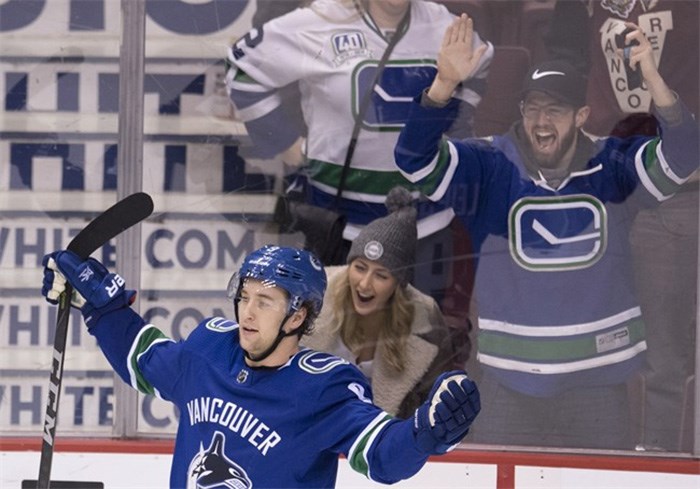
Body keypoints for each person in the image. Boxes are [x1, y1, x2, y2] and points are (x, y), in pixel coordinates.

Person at [394, 14, 698, 450]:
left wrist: (653, 80)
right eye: (532, 107)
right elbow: (413, 159)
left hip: (599, 389)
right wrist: (443, 85)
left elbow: (685, 153)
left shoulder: (613, 169)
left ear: (582, 115)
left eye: (554, 109)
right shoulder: (491, 169)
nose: (541, 121)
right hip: (507, 387)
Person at [40, 244, 480, 488]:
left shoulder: (324, 388)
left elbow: (383, 456)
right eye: (245, 296)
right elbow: (146, 360)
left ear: (298, 316)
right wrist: (100, 308)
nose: (247, 313)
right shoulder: (210, 348)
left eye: (264, 302)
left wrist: (425, 434)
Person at [225, 0, 493, 354]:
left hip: (423, 228)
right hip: (340, 226)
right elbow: (243, 69)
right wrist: (288, 144)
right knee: (321, 354)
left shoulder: (444, 25)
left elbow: (479, 62)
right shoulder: (319, 21)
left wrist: (455, 129)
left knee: (422, 360)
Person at [543, 0, 699, 452]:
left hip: (679, 191)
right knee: (584, 337)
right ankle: (578, 460)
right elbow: (564, 58)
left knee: (664, 357)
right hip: (598, 187)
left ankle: (658, 466)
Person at [303, 186, 461, 418]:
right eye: (359, 268)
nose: (365, 284)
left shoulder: (426, 319)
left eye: (381, 275)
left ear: (398, 284)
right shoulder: (314, 293)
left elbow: (437, 409)